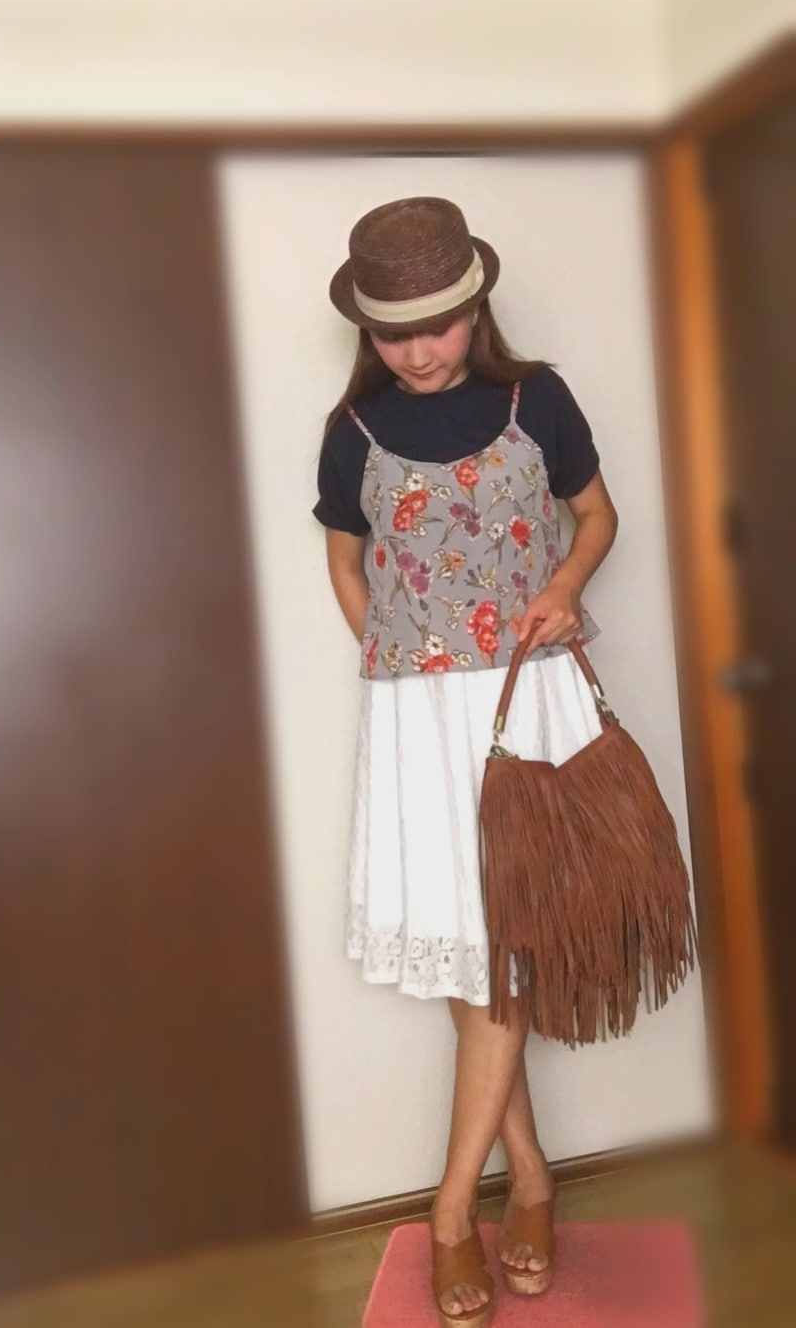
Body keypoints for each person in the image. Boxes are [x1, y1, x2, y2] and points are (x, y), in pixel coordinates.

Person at [313, 196, 619, 1328]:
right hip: (417, 717)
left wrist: (563, 587)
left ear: (473, 307)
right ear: (369, 330)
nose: (417, 350)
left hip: (529, 698)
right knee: (473, 952)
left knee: (508, 949)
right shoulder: (353, 427)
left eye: (435, 325)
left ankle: (453, 1212)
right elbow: (345, 560)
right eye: (393, 332)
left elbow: (596, 516)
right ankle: (529, 1180)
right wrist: (398, 655)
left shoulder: (538, 400)